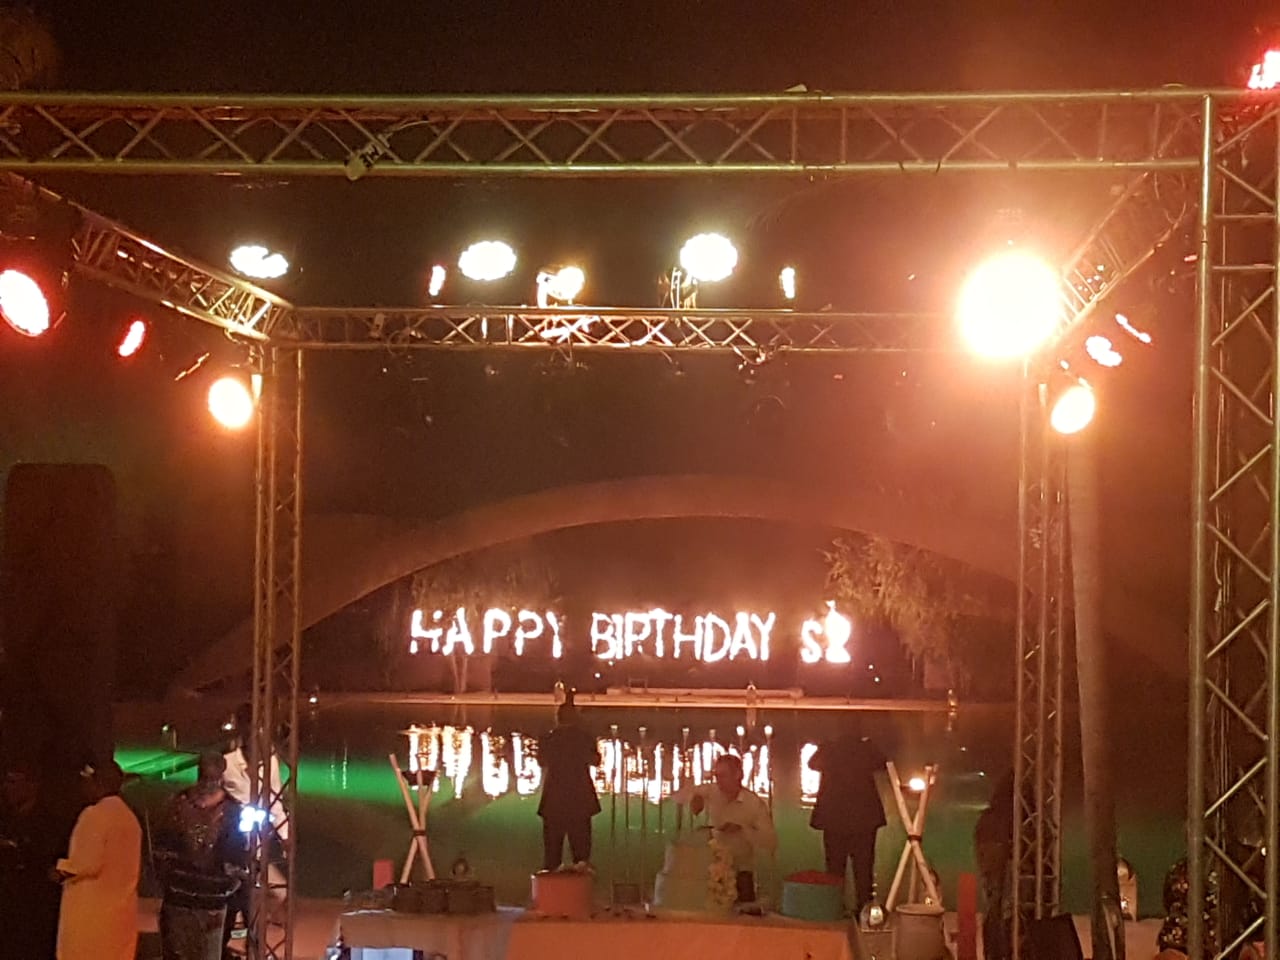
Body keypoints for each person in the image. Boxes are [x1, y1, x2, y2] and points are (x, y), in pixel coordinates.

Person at [155, 753, 247, 960]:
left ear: (221, 776)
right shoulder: (178, 804)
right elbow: (162, 848)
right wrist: (169, 881)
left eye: (213, 778)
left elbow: (237, 858)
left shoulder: (232, 811)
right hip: (178, 899)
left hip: (212, 902)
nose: (208, 783)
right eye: (205, 776)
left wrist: (226, 888)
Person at [53, 760, 141, 960]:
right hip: (121, 917)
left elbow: (86, 864)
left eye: (86, 782)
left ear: (97, 784)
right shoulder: (130, 819)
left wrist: (60, 869)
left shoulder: (94, 815)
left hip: (91, 918)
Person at [221, 704, 288, 951]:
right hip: (231, 847)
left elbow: (275, 802)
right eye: (249, 728)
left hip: (257, 847)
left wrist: (286, 835)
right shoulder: (227, 763)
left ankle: (255, 943)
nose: (254, 733)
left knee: (279, 893)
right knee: (236, 904)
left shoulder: (270, 762)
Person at [674, 753, 777, 902]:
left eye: (723, 776)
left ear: (738, 775)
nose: (719, 781)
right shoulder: (711, 790)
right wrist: (695, 797)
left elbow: (770, 841)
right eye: (716, 776)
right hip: (709, 869)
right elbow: (677, 796)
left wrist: (743, 830)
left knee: (744, 912)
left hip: (740, 872)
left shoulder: (754, 804)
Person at [809, 727, 889, 913]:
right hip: (863, 819)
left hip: (835, 818)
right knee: (864, 870)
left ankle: (834, 909)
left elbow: (812, 763)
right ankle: (864, 910)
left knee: (835, 869)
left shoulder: (830, 749)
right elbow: (882, 762)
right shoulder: (865, 749)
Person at [0, 758, 74, 960]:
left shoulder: (53, 826)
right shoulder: (6, 822)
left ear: (32, 785)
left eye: (14, 781)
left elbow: (56, 868)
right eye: (6, 781)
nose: (7, 788)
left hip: (38, 917)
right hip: (7, 917)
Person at [536, 703, 601, 870]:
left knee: (552, 855)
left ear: (558, 718)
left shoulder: (549, 738)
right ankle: (581, 883)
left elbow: (541, 761)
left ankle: (551, 883)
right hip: (580, 799)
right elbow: (595, 760)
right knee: (581, 855)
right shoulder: (584, 737)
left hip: (554, 800)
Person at [974, 772, 1014, 960]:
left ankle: (993, 953)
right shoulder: (1007, 818)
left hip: (991, 862)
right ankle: (1003, 950)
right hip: (998, 858)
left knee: (993, 907)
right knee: (1002, 908)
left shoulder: (988, 819)